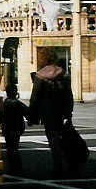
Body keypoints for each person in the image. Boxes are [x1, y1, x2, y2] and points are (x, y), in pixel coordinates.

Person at [28, 49, 73, 178]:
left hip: (47, 112)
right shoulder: (63, 73)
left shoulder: (40, 75)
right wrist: (69, 112)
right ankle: (69, 162)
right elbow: (69, 95)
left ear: (43, 58)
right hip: (61, 110)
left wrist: (32, 115)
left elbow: (34, 97)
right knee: (63, 137)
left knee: (52, 138)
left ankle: (58, 165)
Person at [0, 84, 29, 175]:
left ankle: (12, 166)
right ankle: (18, 166)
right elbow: (27, 113)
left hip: (7, 129)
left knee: (10, 148)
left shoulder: (5, 104)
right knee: (15, 148)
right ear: (16, 92)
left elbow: (1, 117)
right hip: (17, 128)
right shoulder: (18, 104)